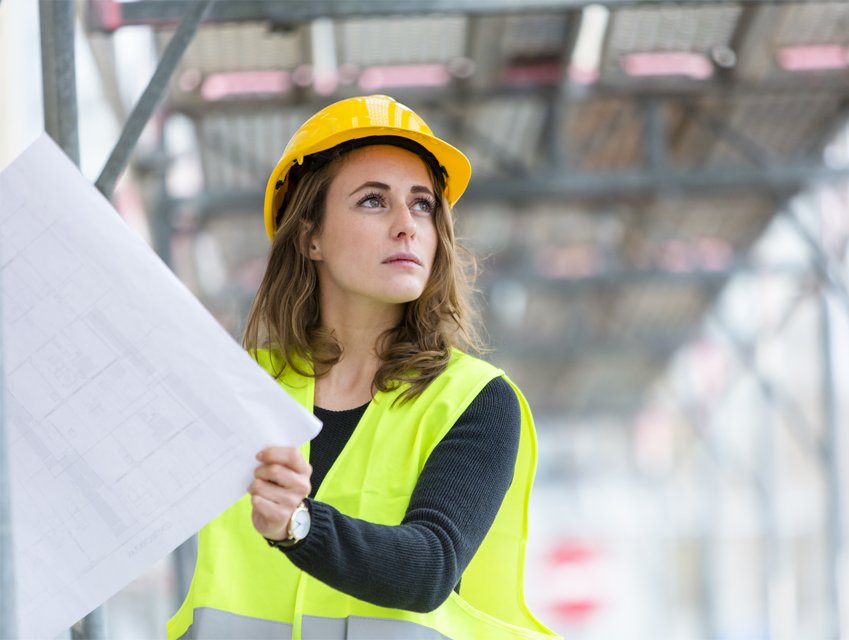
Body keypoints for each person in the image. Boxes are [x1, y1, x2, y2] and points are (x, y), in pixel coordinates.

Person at [167, 94, 559, 639]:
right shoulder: (239, 389)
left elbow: (430, 567)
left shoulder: (474, 400)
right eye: (373, 201)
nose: (407, 226)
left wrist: (298, 527)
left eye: (422, 204)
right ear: (311, 237)